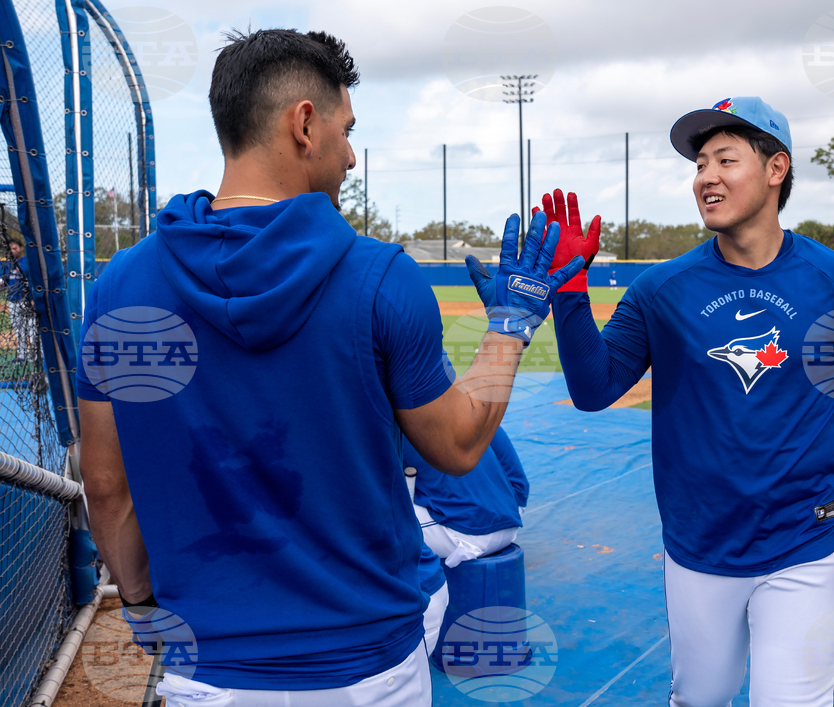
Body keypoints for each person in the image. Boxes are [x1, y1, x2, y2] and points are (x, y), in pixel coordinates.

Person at [75, 28, 581, 707]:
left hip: (209, 671)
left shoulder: (120, 285)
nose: (349, 156)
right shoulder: (382, 277)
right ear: (304, 123)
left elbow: (107, 487)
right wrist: (509, 326)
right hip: (369, 670)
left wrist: (141, 606)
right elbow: (458, 444)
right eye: (346, 131)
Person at [543, 97, 834, 706]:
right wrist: (568, 292)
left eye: (725, 159)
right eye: (700, 164)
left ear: (776, 169)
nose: (706, 177)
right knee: (701, 697)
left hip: (808, 540)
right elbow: (593, 390)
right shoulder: (661, 289)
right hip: (699, 545)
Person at [409, 419, 528, 568]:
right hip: (512, 515)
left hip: (467, 533)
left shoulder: (392, 418)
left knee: (385, 518)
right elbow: (518, 480)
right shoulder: (466, 407)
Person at [1, 234, 31, 361]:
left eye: (14, 248)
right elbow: (3, 282)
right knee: (18, 329)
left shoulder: (27, 263)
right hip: (12, 300)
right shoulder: (7, 264)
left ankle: (38, 356)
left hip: (27, 300)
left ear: (21, 248)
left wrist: (32, 299)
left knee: (31, 329)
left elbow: (33, 282)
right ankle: (22, 355)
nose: (12, 251)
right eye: (10, 249)